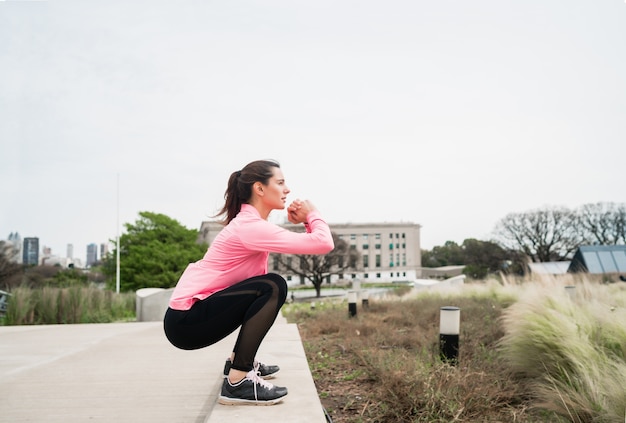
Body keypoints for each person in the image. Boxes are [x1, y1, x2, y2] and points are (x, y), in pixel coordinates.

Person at [163, 159, 334, 406]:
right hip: (186, 321)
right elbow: (323, 243)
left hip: (187, 319)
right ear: (260, 189)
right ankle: (237, 382)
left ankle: (238, 363)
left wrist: (306, 222)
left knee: (264, 285)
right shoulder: (250, 227)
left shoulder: (252, 225)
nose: (287, 189)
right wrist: (312, 215)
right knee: (273, 286)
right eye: (281, 182)